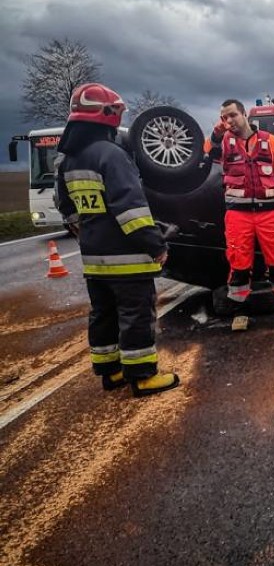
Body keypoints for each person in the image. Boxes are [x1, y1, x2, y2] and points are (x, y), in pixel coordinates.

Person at [55, 83, 179, 397]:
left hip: (94, 260)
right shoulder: (112, 155)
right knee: (136, 315)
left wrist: (88, 233)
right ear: (107, 114)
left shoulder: (67, 161)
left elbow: (66, 208)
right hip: (126, 259)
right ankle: (143, 375)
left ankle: (110, 373)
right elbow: (131, 210)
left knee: (103, 314)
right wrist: (156, 245)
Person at [207, 99, 274, 330]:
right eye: (224, 117)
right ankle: (239, 313)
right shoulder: (223, 142)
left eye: (232, 115)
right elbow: (205, 155)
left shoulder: (270, 142)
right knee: (239, 263)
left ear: (244, 115)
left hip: (268, 213)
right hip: (237, 215)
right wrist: (215, 134)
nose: (229, 121)